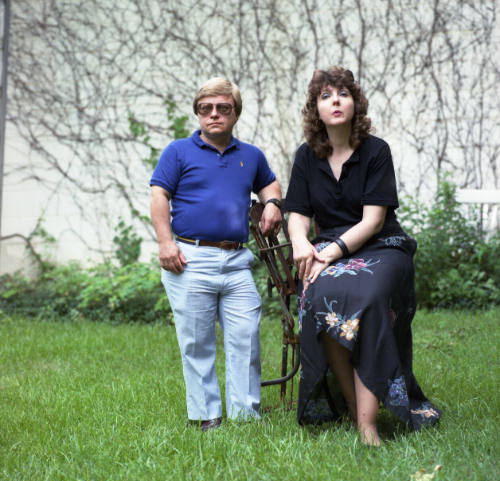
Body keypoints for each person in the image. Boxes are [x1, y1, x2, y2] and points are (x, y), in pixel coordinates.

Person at [285, 66, 441, 446]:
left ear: (355, 103)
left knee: (366, 298)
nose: (335, 101)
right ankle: (358, 412)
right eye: (326, 96)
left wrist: (330, 254)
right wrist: (301, 244)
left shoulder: (376, 151)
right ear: (315, 110)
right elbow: (298, 215)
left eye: (342, 94)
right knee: (322, 298)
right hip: (327, 252)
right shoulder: (306, 157)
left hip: (382, 247)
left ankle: (368, 427)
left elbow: (373, 221)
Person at [150, 77, 282, 431]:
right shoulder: (178, 152)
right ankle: (207, 415)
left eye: (223, 108)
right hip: (190, 258)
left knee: (246, 338)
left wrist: (272, 203)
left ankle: (245, 415)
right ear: (197, 113)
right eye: (206, 108)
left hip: (237, 261)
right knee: (197, 342)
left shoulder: (251, 155)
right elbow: (159, 196)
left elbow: (269, 182)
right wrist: (165, 242)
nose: (214, 114)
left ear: (235, 113)